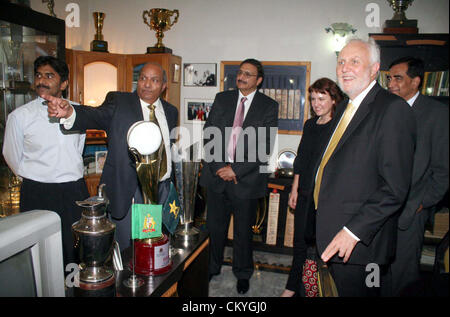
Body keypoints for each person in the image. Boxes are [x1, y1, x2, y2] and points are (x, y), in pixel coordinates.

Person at [313, 39, 416, 296]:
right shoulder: (343, 110)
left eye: (354, 62)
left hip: (360, 247)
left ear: (374, 69)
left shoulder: (393, 110)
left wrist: (352, 232)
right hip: (330, 235)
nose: (345, 68)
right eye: (341, 62)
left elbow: (395, 187)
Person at [44, 62, 178, 251]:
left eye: (154, 80)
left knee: (153, 246)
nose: (147, 84)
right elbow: (95, 115)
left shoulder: (171, 111)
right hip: (130, 192)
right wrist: (70, 113)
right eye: (143, 78)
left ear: (164, 86)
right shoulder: (120, 102)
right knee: (126, 252)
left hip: (160, 191)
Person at [200, 58, 278, 294]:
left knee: (244, 233)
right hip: (216, 177)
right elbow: (209, 133)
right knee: (214, 228)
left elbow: (265, 146)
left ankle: (242, 274)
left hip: (247, 181)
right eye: (240, 72)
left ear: (259, 80)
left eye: (248, 73)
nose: (241, 76)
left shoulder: (268, 106)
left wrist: (235, 169)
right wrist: (219, 167)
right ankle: (211, 268)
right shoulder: (222, 99)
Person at [2, 56, 89, 268]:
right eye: (39, 75)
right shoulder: (19, 116)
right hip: (36, 192)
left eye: (49, 76)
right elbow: (11, 156)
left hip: (73, 191)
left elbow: (78, 148)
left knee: (76, 250)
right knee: (39, 254)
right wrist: (37, 175)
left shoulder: (79, 112)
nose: (42, 80)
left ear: (64, 83)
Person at [387, 56, 449, 296]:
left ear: (416, 82)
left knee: (403, 276)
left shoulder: (437, 114)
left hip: (411, 212)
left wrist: (422, 204)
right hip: (381, 210)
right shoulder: (386, 110)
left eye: (398, 78)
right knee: (378, 274)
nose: (391, 83)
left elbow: (444, 170)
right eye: (389, 78)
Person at [281, 78, 344, 297]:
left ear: (334, 99)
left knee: (320, 246)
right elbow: (301, 160)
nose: (316, 103)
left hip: (327, 197)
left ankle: (319, 289)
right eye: (313, 99)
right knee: (300, 243)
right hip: (305, 192)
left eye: (321, 98)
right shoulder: (310, 124)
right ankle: (291, 288)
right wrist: (294, 189)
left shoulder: (339, 126)